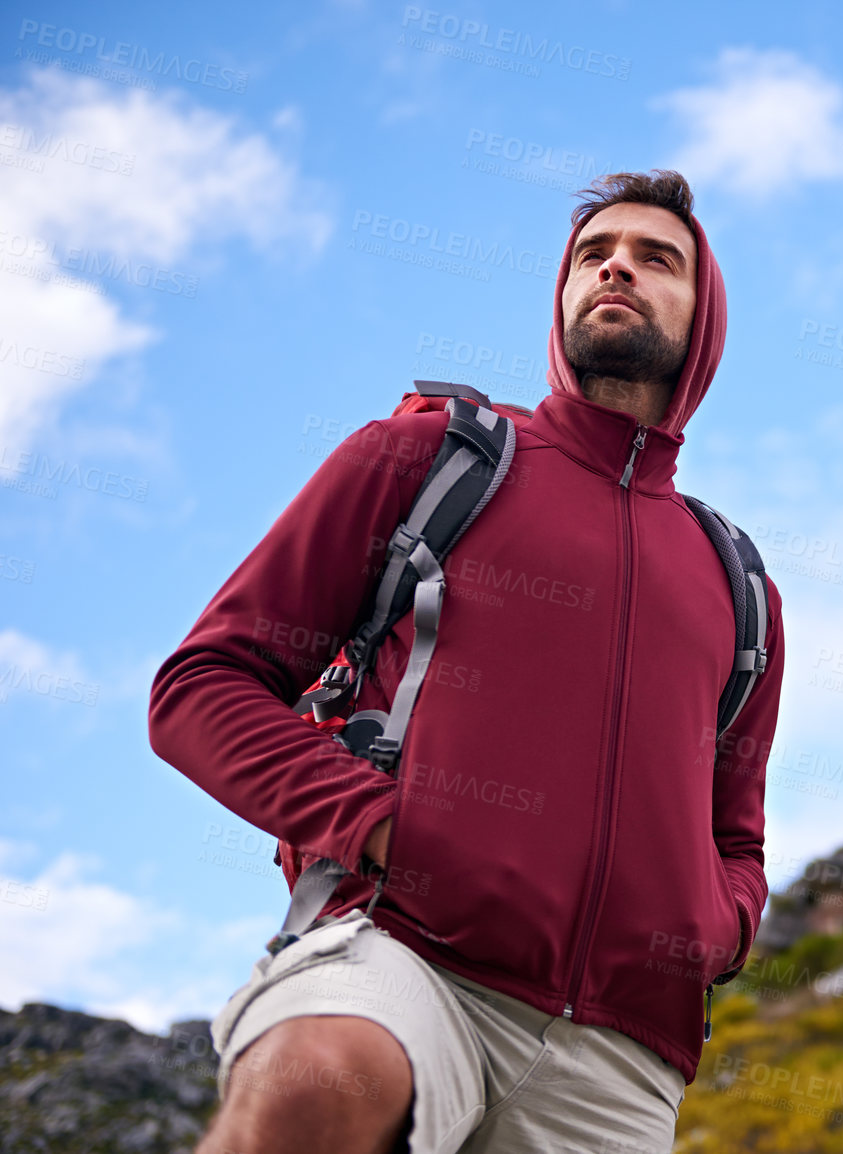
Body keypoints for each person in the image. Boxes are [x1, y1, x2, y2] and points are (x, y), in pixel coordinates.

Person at [149, 170, 784, 1154]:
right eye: (590, 254)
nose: (614, 265)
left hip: (619, 1056)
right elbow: (200, 687)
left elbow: (735, 840)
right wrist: (378, 823)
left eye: (656, 257)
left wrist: (715, 926)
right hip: (403, 950)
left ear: (704, 320)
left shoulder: (737, 582)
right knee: (311, 1086)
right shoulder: (428, 458)